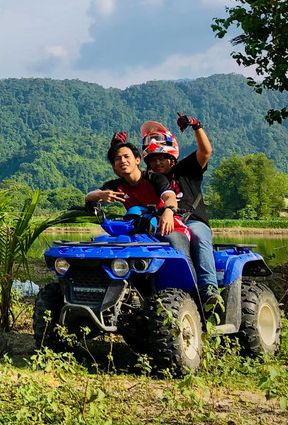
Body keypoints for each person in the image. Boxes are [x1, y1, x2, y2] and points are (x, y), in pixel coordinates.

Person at [143, 115, 220, 308]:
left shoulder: (186, 169)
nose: (157, 163)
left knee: (198, 235)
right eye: (153, 160)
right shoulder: (150, 180)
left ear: (171, 157)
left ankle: (208, 288)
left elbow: (206, 152)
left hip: (191, 220)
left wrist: (196, 127)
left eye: (162, 158)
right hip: (161, 223)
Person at [86, 134, 194, 266]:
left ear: (137, 160)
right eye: (118, 159)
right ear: (114, 166)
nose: (123, 161)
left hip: (169, 228)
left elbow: (169, 196)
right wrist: (100, 195)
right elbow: (90, 195)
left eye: (127, 157)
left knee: (177, 250)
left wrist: (169, 211)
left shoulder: (154, 178)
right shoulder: (116, 186)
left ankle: (190, 286)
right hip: (140, 232)